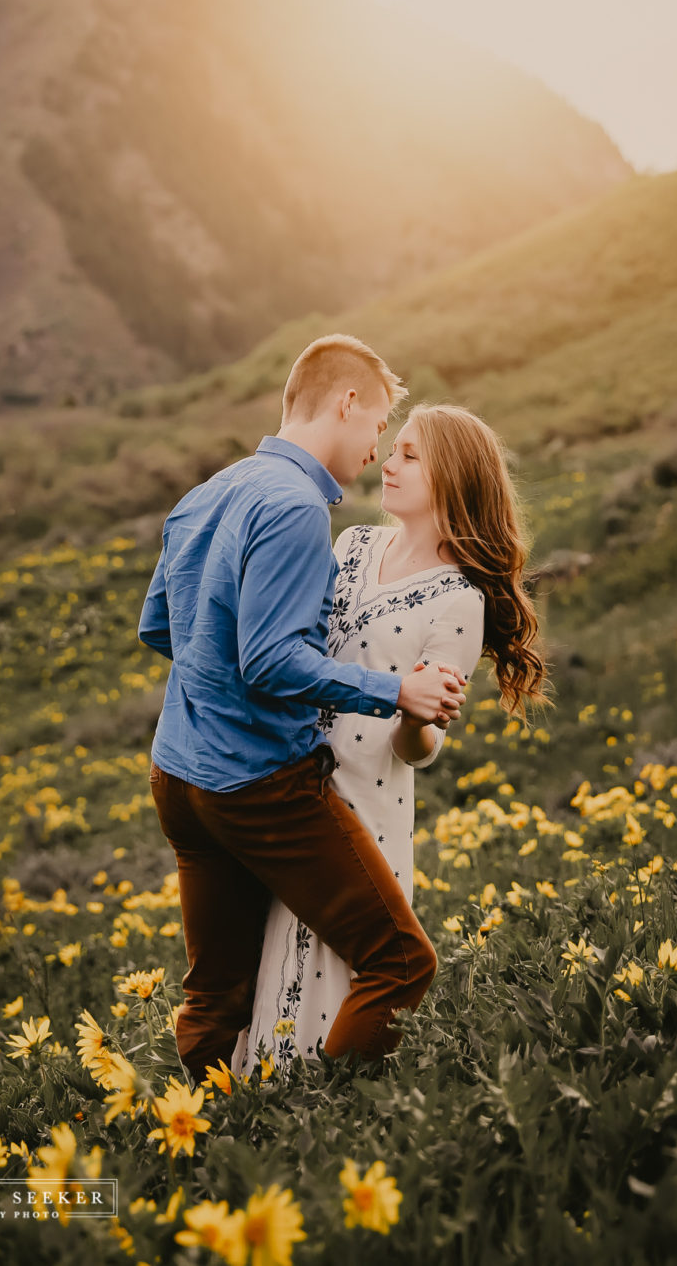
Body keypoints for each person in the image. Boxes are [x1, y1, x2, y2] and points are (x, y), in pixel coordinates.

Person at [138, 335, 467, 1084]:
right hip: (258, 785)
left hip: (177, 778)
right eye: (379, 425)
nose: (376, 448)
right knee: (400, 961)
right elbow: (272, 661)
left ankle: (208, 1142)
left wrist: (212, 695)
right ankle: (318, 1125)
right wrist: (397, 691)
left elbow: (159, 626)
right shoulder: (292, 507)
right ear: (346, 403)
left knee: (216, 992)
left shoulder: (209, 492)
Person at [233, 402, 549, 1073]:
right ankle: (260, 1101)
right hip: (293, 780)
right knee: (273, 942)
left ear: (453, 478)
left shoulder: (458, 601)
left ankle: (320, 1103)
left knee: (340, 960)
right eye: (393, 447)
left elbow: (420, 749)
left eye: (410, 455)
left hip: (367, 801)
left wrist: (415, 718)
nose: (389, 462)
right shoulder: (353, 547)